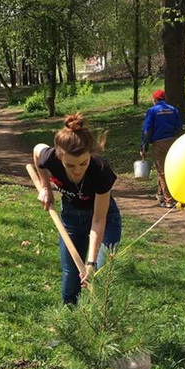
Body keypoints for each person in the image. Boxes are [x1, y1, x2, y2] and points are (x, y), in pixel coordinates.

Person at [32, 113, 122, 304]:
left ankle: (102, 324)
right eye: (70, 165)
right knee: (72, 276)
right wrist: (45, 188)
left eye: (83, 163)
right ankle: (70, 326)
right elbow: (37, 150)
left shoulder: (100, 170)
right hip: (71, 218)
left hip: (103, 218)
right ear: (59, 156)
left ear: (90, 154)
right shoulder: (51, 158)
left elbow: (98, 220)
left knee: (99, 272)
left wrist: (90, 263)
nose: (77, 170)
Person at [140, 89, 182, 207]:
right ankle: (161, 194)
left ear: (154, 100)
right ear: (165, 99)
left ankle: (169, 200)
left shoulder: (152, 111)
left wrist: (144, 147)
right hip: (173, 142)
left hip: (159, 143)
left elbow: (147, 130)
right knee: (172, 169)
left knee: (162, 172)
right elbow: (179, 127)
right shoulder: (174, 110)